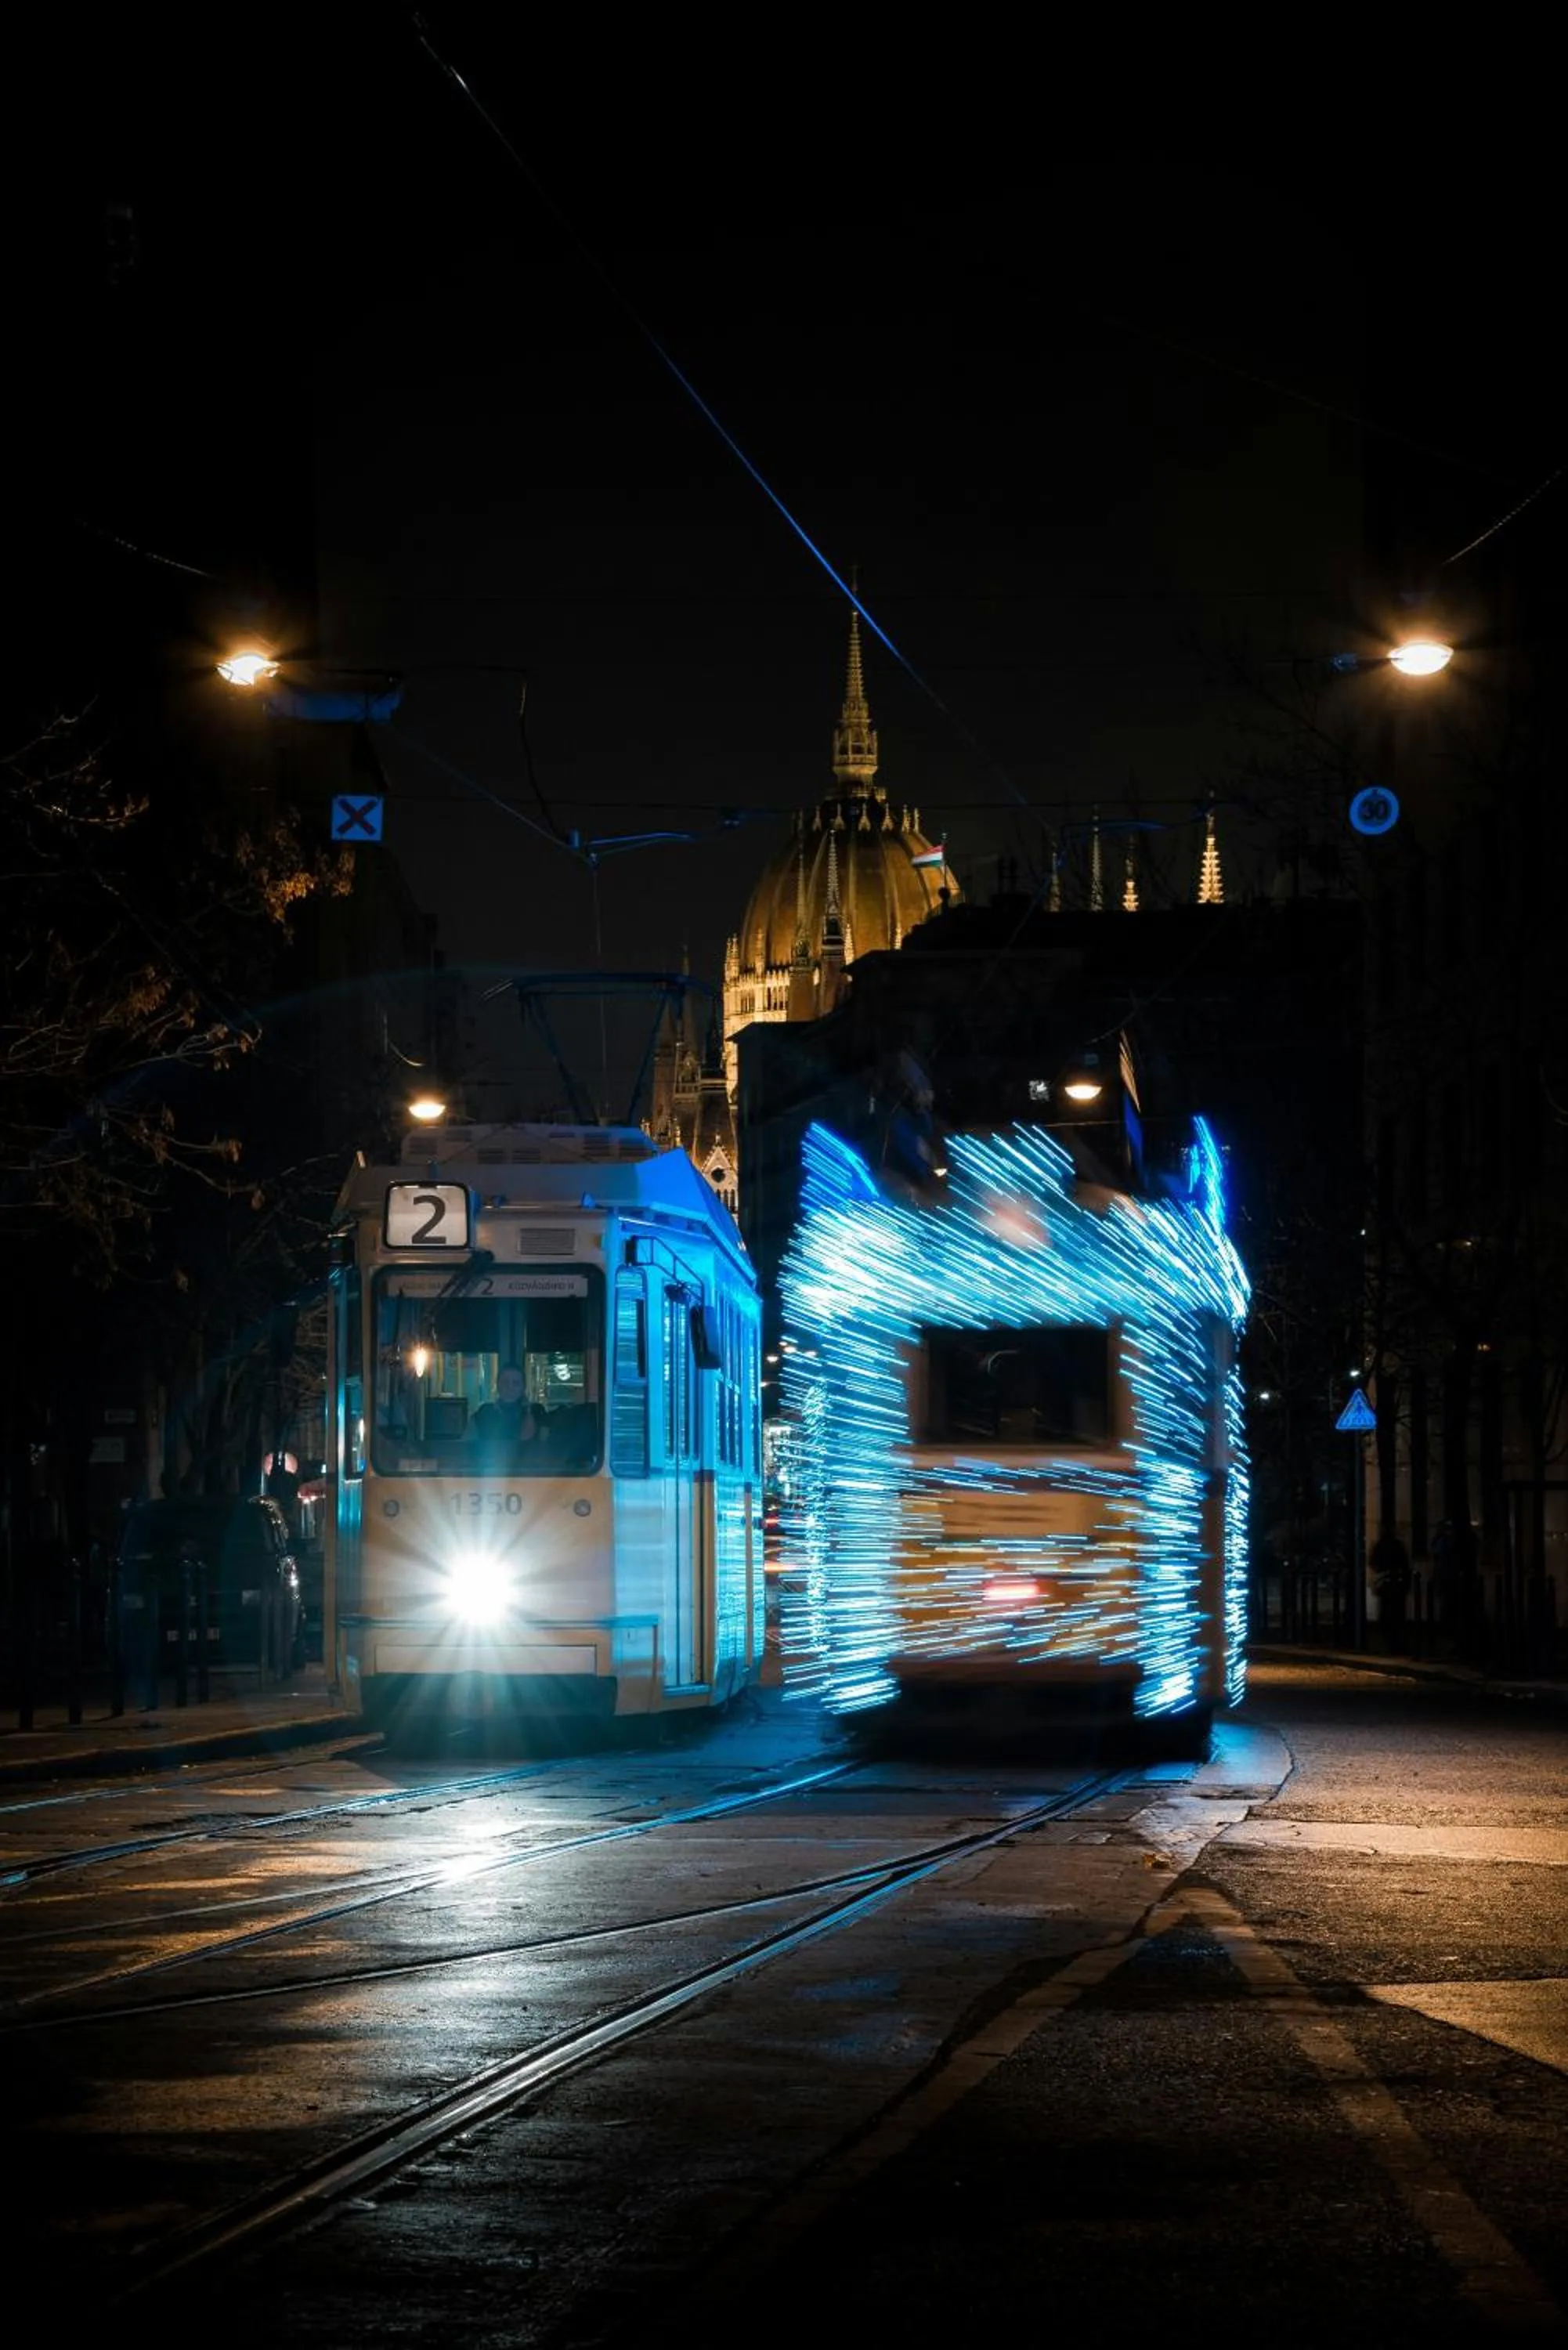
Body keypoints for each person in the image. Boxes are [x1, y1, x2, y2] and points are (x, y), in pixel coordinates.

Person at [471, 1364, 540, 1450]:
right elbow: (466, 1444)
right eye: (505, 1382)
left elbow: (528, 1439)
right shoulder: (484, 1412)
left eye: (516, 1383)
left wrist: (528, 1410)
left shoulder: (536, 1411)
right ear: (498, 1385)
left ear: (523, 1387)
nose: (510, 1387)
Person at [1371, 1528, 1411, 1654]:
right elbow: (1405, 1564)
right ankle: (1398, 1642)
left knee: (1386, 1613)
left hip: (1387, 1583)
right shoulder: (1398, 1545)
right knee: (1398, 1614)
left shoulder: (1380, 1545)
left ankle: (1391, 1641)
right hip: (1397, 1584)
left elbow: (1373, 1562)